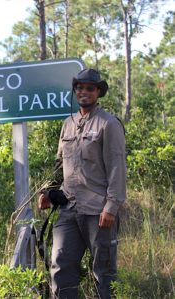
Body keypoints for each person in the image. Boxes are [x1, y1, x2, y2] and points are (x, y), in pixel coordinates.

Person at [38, 69, 126, 299]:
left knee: (103, 272)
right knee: (60, 265)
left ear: (98, 92)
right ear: (75, 90)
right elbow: (60, 164)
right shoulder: (68, 124)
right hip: (68, 208)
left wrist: (111, 207)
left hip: (98, 210)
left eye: (90, 88)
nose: (84, 92)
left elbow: (117, 167)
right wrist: (48, 192)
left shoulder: (108, 124)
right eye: (80, 87)